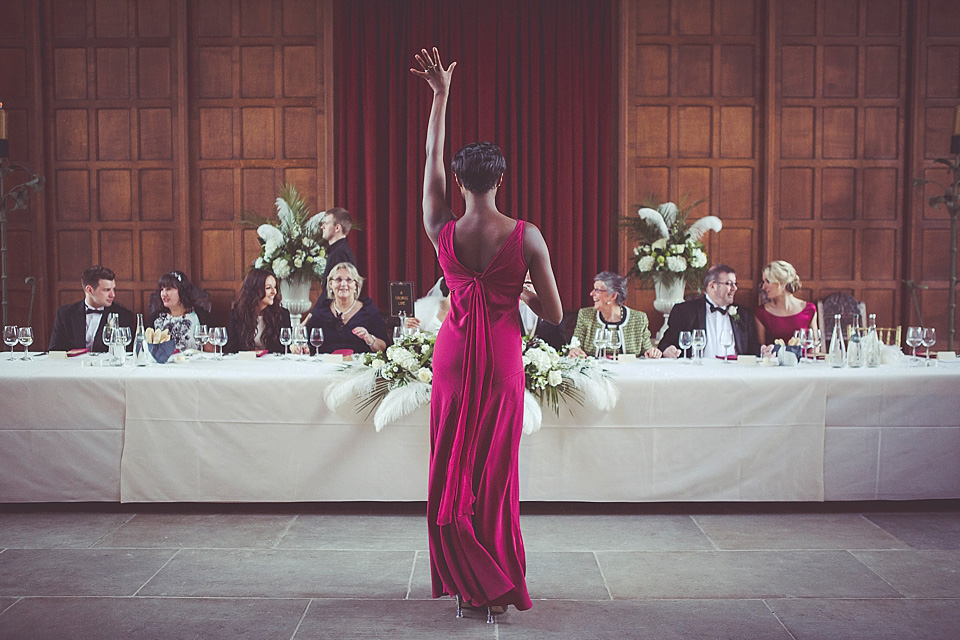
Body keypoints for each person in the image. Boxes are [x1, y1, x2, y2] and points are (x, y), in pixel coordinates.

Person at [412, 47, 563, 619]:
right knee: (494, 471)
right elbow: (552, 311)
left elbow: (428, 163)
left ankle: (460, 577)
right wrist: (516, 292)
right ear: (501, 177)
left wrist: (440, 97)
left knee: (448, 459)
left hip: (452, 356)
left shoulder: (440, 227)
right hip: (500, 357)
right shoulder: (527, 237)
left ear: (457, 178)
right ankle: (493, 581)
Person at [659, 264, 760, 358]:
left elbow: (752, 349)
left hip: (735, 373)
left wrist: (762, 351)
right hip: (697, 373)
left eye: (735, 284)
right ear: (712, 286)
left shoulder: (744, 314)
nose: (735, 288)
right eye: (729, 284)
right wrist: (668, 350)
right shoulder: (685, 311)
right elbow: (665, 344)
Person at [569, 271, 661, 358]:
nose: (591, 293)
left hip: (628, 372)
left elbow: (647, 349)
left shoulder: (638, 319)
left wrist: (652, 352)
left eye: (597, 290)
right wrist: (574, 350)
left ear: (613, 295)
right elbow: (575, 343)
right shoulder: (585, 315)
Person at [304, 262, 387, 353]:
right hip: (327, 365)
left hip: (359, 366)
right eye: (338, 280)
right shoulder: (321, 311)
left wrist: (370, 339)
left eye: (349, 280)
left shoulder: (368, 311)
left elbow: (383, 347)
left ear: (356, 285)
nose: (343, 284)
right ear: (331, 284)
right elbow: (306, 343)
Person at [48, 265, 135, 352]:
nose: (113, 295)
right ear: (89, 290)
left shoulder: (124, 315)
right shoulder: (65, 314)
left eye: (113, 289)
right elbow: (55, 351)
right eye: (107, 290)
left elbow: (129, 353)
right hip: (74, 365)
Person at [223, 268, 292, 354]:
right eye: (268, 288)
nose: (274, 292)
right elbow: (231, 349)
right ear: (254, 290)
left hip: (272, 364)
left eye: (274, 287)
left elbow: (287, 348)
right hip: (246, 364)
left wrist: (296, 348)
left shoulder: (282, 314)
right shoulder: (237, 314)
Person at [753, 260, 817, 345]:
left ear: (782, 283)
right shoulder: (761, 313)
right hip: (773, 358)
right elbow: (761, 349)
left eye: (768, 281)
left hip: (803, 358)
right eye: (763, 282)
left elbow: (815, 345)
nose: (763, 287)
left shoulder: (809, 309)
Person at [147, 270, 213, 351]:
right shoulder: (155, 318)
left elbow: (212, 352)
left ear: (182, 291)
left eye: (168, 289)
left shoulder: (200, 316)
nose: (163, 294)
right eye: (162, 289)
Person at [518, 272, 567, 350]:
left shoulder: (552, 308)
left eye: (531, 272)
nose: (528, 276)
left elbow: (560, 343)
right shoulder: (505, 308)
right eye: (524, 272)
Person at [319, 207, 358, 296]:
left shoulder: (339, 253)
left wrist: (316, 310)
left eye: (326, 223)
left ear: (337, 228)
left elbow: (333, 293)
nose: (322, 227)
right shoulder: (338, 251)